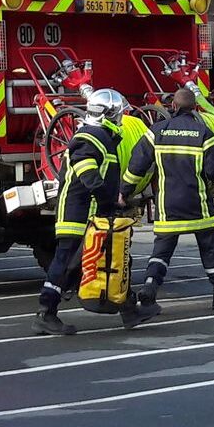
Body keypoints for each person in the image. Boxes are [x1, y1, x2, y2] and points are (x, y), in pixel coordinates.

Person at [33, 89, 160, 335]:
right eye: (119, 114)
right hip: (79, 214)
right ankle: (46, 312)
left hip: (92, 213)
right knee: (67, 262)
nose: (122, 119)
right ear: (109, 115)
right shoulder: (89, 138)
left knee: (115, 258)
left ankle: (128, 309)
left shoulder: (101, 136)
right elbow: (89, 175)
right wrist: (110, 202)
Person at [121, 87, 214, 311]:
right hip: (199, 206)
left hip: (168, 208)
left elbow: (137, 166)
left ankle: (149, 287)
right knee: (211, 249)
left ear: (173, 107)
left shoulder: (156, 132)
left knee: (161, 252)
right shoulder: (204, 134)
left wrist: (124, 191)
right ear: (194, 108)